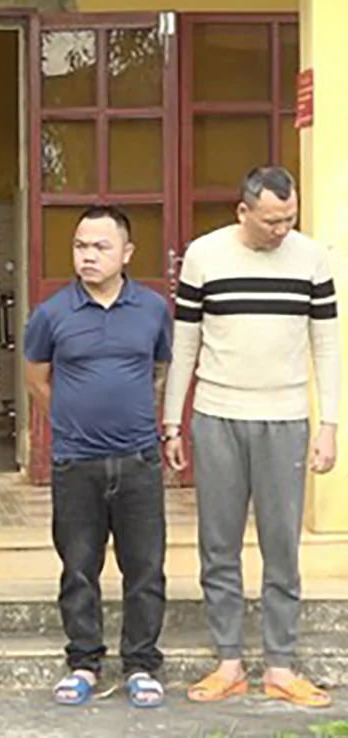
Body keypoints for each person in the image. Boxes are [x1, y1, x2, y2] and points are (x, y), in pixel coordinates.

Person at [163, 166, 340, 708]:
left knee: (281, 545)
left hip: (285, 418)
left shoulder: (312, 257)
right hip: (217, 415)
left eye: (290, 219)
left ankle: (281, 666)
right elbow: (185, 344)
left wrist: (329, 424)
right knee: (218, 544)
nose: (282, 230)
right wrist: (172, 422)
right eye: (271, 221)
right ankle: (229, 662)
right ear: (243, 211)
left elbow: (326, 345)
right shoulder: (203, 256)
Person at [23, 206, 171, 709]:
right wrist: (71, 420)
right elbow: (37, 379)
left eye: (100, 247)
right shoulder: (52, 313)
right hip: (76, 461)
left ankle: (141, 665)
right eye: (80, 246)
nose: (88, 255)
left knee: (145, 568)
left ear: (127, 253)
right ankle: (83, 662)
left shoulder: (152, 309)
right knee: (79, 567)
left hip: (138, 460)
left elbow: (159, 370)